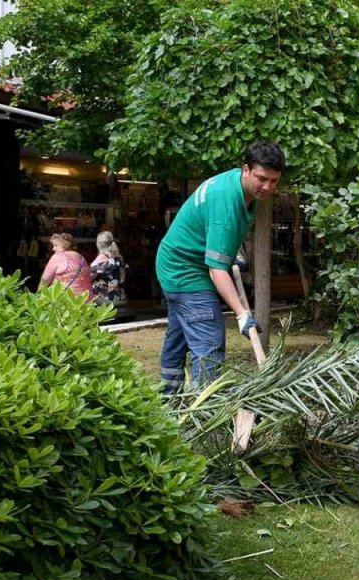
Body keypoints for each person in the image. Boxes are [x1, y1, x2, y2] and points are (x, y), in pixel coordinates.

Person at [155, 140, 284, 394]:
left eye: (274, 181)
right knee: (209, 341)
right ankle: (203, 411)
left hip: (179, 261)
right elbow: (217, 270)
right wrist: (242, 314)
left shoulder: (241, 188)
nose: (267, 187)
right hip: (185, 269)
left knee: (179, 336)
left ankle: (167, 400)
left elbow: (220, 231)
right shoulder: (226, 201)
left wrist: (230, 252)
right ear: (245, 169)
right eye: (261, 178)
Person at [38, 233, 92, 297]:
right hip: (86, 298)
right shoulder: (81, 257)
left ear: (65, 245)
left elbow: (45, 280)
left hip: (68, 300)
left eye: (56, 245)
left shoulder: (57, 257)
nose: (53, 249)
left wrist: (38, 295)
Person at [90, 231, 128, 315]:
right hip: (119, 296)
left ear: (98, 244)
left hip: (104, 299)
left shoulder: (102, 258)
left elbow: (89, 276)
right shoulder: (119, 258)